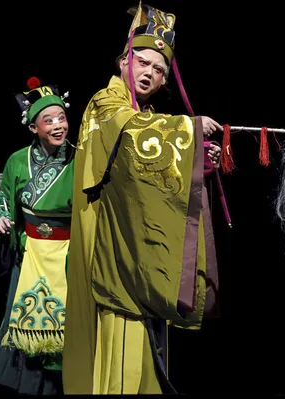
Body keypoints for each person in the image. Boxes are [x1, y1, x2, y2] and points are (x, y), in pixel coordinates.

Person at [62, 2, 223, 394]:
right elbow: (133, 133)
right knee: (121, 328)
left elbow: (148, 170)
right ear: (123, 61)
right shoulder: (106, 103)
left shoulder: (143, 112)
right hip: (110, 241)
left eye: (159, 69)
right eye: (143, 62)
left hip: (134, 243)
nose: (149, 73)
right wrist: (189, 128)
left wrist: (195, 162)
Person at [0, 76, 75, 395]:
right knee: (25, 331)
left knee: (66, 333)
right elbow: (4, 195)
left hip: (67, 256)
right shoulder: (17, 161)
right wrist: (2, 217)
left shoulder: (81, 158)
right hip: (31, 252)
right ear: (34, 128)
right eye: (49, 120)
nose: (59, 125)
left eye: (62, 117)